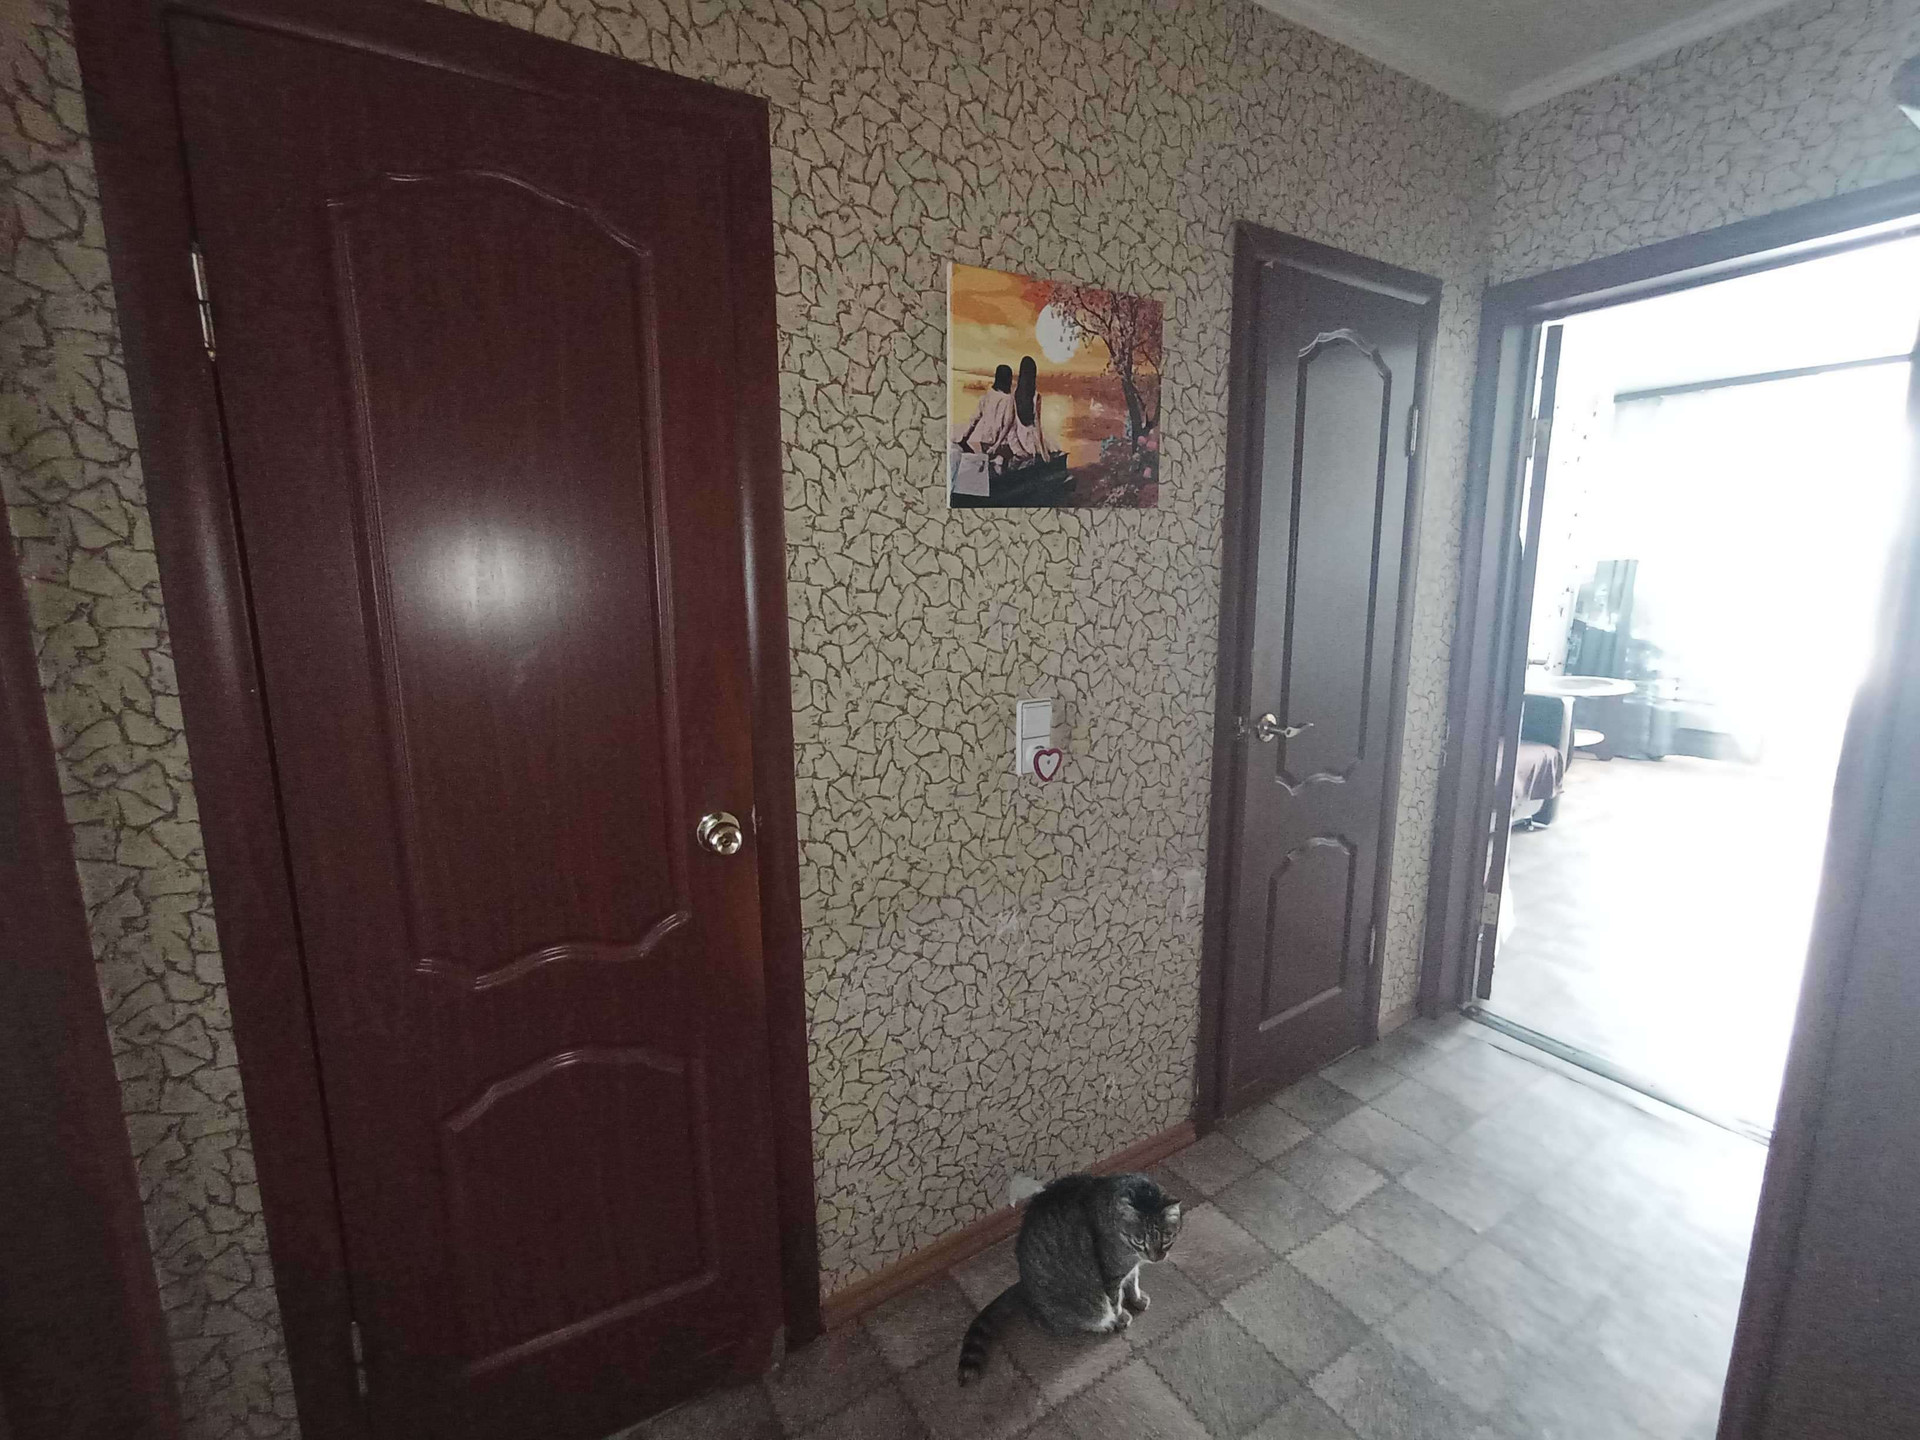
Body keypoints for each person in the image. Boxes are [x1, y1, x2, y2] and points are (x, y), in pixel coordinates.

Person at [955, 364, 1017, 455]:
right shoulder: (1009, 399)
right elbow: (1007, 424)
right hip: (1001, 443)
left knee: (988, 462)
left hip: (985, 439)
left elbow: (975, 418)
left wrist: (965, 437)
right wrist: (996, 445)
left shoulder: (988, 395)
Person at [1006, 355, 1057, 465]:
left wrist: (1016, 447)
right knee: (1053, 447)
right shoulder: (1036, 396)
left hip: (1022, 438)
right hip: (1033, 442)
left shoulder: (1015, 394)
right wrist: (1044, 453)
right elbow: (1037, 426)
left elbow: (1011, 422)